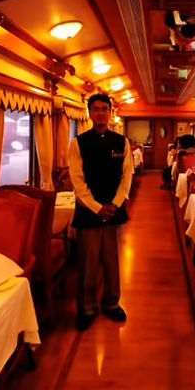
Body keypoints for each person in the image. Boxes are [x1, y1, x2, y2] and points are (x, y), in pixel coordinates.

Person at [68, 94, 134, 330]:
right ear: (89, 112)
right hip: (89, 210)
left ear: (110, 112)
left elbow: (127, 176)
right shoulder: (78, 143)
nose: (100, 113)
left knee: (111, 260)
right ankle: (86, 308)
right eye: (95, 109)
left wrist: (115, 204)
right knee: (88, 262)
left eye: (104, 109)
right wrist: (97, 207)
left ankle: (111, 303)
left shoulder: (121, 142)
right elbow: (77, 180)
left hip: (113, 209)